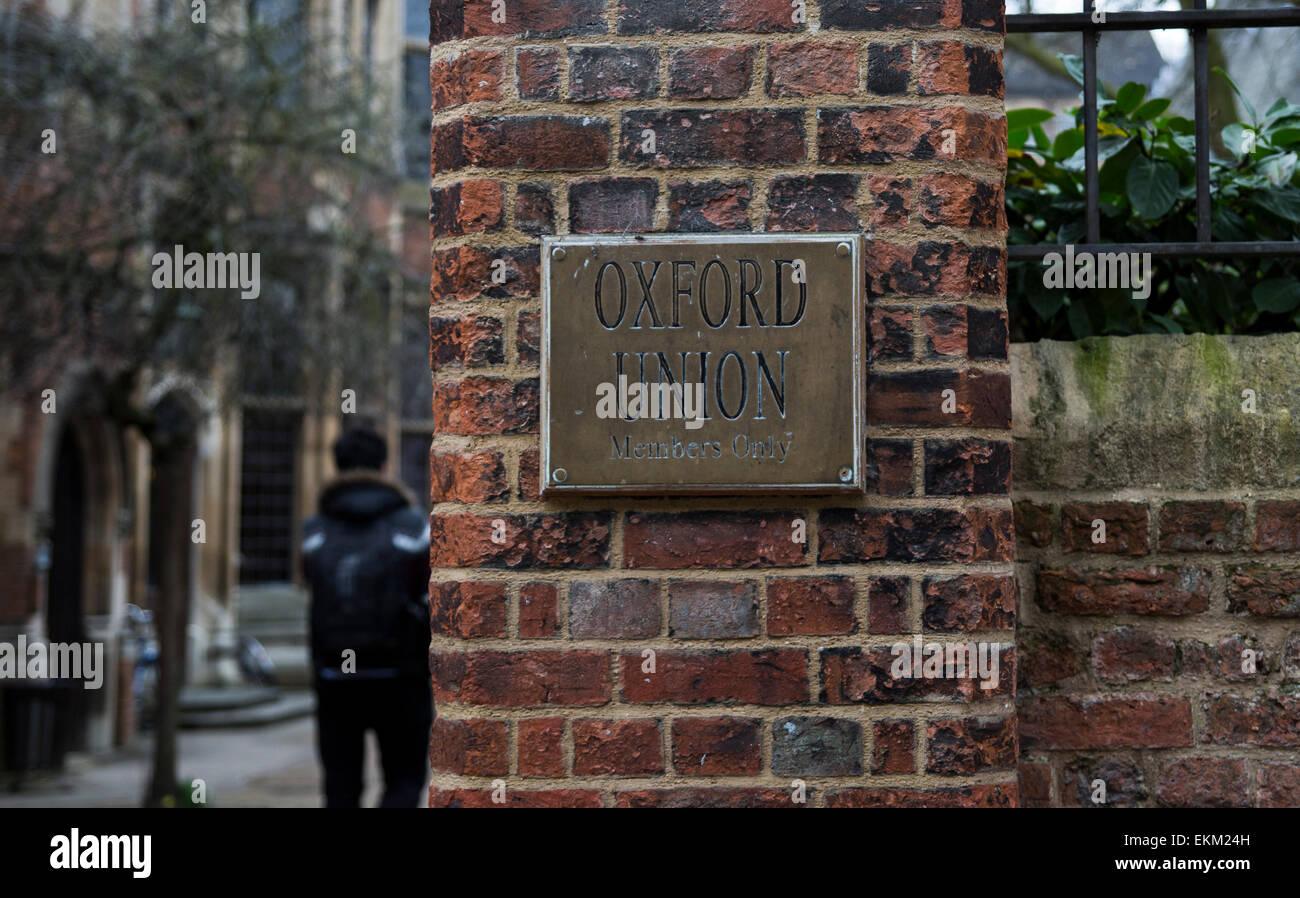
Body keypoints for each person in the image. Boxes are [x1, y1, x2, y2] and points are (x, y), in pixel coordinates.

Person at [300, 427, 432, 808]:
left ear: (336, 468)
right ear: (385, 466)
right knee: (404, 783)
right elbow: (427, 593)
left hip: (336, 677)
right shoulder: (412, 526)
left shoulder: (314, 531)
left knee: (340, 790)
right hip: (401, 678)